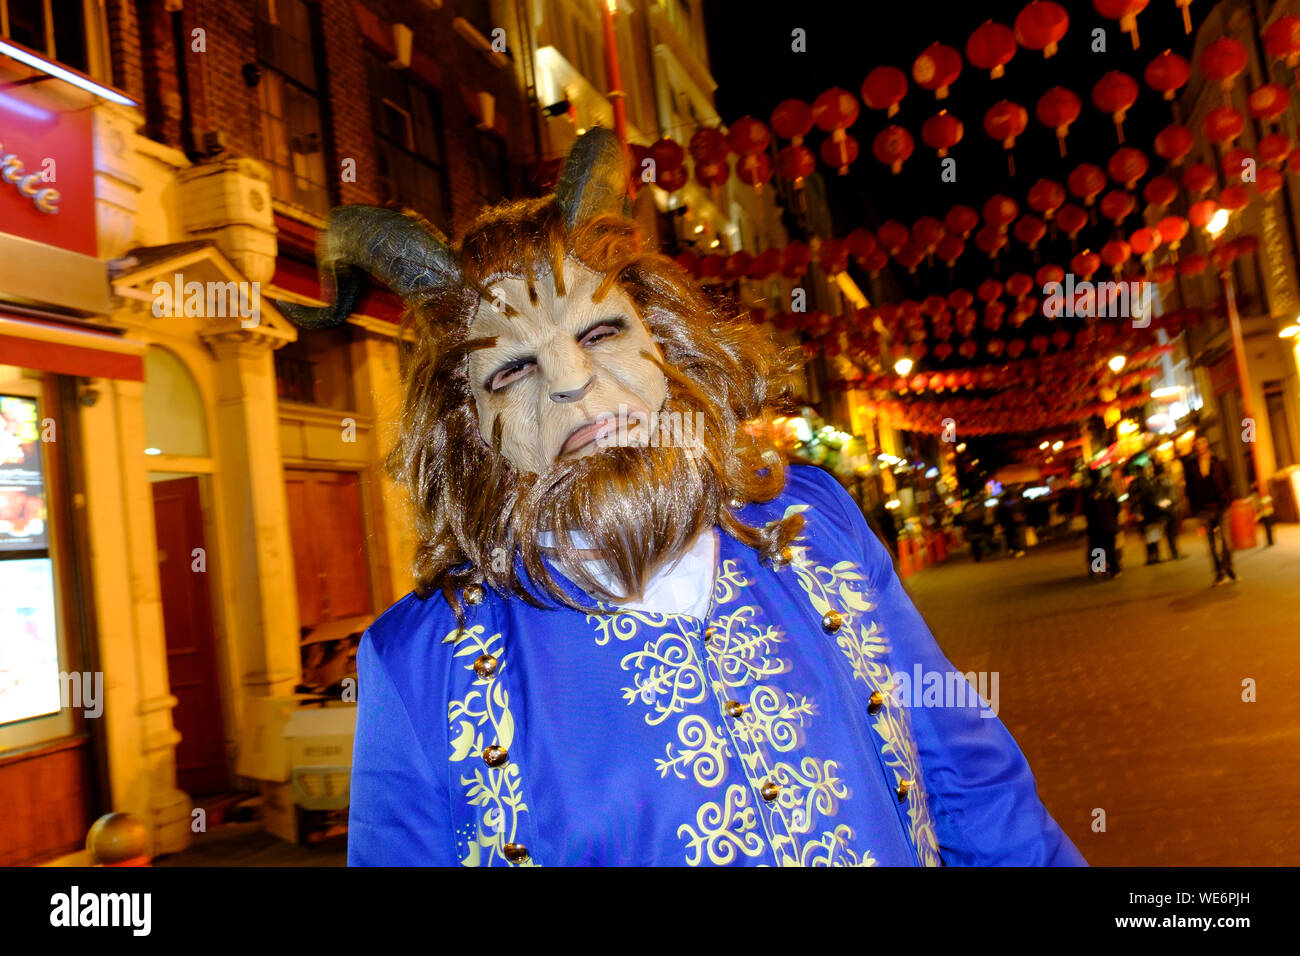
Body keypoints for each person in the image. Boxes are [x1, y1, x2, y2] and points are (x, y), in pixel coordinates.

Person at [279, 129, 1085, 868]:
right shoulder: (421, 663)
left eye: (600, 333)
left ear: (664, 345)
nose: (572, 381)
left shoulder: (816, 523)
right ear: (469, 428)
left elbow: (974, 786)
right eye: (511, 370)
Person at [1182, 437, 1236, 586]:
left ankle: (1228, 567)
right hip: (1204, 509)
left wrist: (1228, 497)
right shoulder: (1191, 466)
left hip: (1222, 506)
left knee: (1226, 541)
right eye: (1197, 444)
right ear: (1195, 447)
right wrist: (1194, 510)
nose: (1200, 446)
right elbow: (1190, 490)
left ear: (1207, 445)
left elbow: (1228, 481)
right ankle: (1219, 572)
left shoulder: (1217, 461)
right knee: (1211, 545)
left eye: (1203, 443)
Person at [1083, 471, 1121, 578]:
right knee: (1111, 547)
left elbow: (1086, 510)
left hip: (1095, 525)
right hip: (1110, 524)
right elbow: (1117, 507)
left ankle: (1100, 569)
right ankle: (1115, 570)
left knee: (1098, 547)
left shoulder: (1088, 491)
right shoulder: (1109, 489)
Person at [1128, 463, 1163, 565]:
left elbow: (1132, 500)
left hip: (1142, 513)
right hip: (1149, 513)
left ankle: (1151, 557)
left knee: (1148, 536)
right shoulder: (1146, 482)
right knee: (1153, 536)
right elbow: (1151, 498)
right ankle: (1155, 556)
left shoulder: (1133, 484)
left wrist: (1136, 512)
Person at [1152, 461, 1182, 560]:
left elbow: (1156, 500)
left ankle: (1172, 552)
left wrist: (1161, 506)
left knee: (1168, 534)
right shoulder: (1167, 482)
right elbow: (1173, 498)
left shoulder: (1154, 483)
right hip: (1171, 511)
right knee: (1172, 534)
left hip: (1161, 512)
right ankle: (1174, 552)